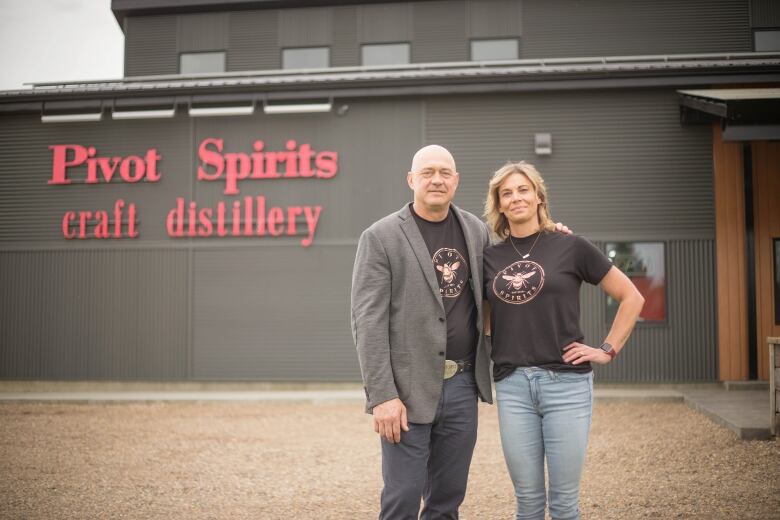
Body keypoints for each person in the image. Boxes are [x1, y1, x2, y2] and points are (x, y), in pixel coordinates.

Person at [482, 161, 645, 520]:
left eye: (523, 189)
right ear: (499, 204)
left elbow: (632, 297)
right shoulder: (489, 258)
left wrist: (606, 349)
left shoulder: (571, 246)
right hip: (512, 386)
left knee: (564, 504)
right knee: (526, 501)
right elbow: (483, 316)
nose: (516, 198)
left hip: (566, 385)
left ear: (539, 196)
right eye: (506, 193)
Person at [351, 144, 493, 519]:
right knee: (402, 496)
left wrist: (551, 234)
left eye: (445, 172)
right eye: (428, 172)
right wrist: (382, 396)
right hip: (406, 392)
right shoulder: (381, 237)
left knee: (448, 498)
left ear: (456, 181)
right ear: (411, 180)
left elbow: (509, 272)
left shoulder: (476, 231)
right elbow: (368, 322)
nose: (437, 179)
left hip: (463, 385)